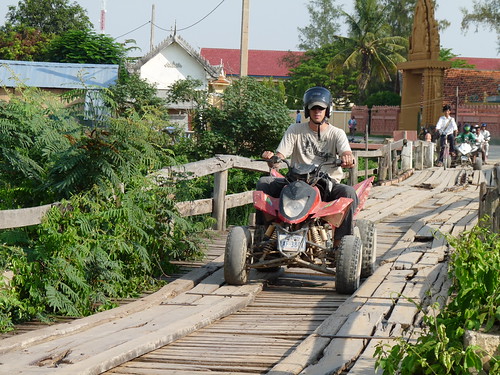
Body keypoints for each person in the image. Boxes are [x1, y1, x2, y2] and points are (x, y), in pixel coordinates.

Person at [257, 86, 357, 246]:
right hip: (296, 181)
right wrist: (272, 158)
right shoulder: (295, 129)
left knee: (349, 193)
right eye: (313, 108)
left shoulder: (337, 133)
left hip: (326, 184)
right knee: (264, 184)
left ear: (328, 110)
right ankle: (264, 233)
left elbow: (346, 151)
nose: (317, 111)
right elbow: (280, 155)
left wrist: (347, 157)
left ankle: (340, 244)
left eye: (321, 108)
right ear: (307, 110)